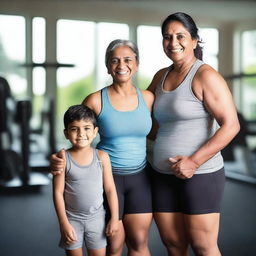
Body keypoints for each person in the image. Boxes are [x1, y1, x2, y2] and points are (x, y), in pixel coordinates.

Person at [147, 12, 240, 256]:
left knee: (203, 247)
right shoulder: (160, 76)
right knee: (174, 245)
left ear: (195, 40)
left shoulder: (205, 75)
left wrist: (193, 162)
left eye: (180, 36)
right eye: (167, 37)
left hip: (200, 175)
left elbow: (231, 125)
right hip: (161, 174)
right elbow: (143, 117)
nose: (173, 42)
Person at [51, 39, 155, 256]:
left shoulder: (148, 98)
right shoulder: (96, 100)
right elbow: (78, 132)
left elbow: (158, 134)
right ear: (108, 66)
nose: (121, 65)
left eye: (127, 60)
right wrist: (60, 159)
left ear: (136, 64)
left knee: (139, 241)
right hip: (108, 179)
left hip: (140, 178)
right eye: (114, 60)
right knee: (114, 245)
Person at [52, 104, 119, 256]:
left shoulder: (102, 157)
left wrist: (114, 218)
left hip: (97, 220)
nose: (81, 133)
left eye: (87, 128)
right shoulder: (63, 158)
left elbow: (110, 189)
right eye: (74, 129)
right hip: (71, 220)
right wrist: (63, 223)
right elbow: (57, 192)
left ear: (95, 131)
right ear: (66, 133)